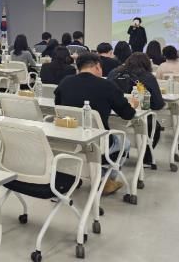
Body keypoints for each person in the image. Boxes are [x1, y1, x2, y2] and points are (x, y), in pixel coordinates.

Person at [54, 53, 136, 195]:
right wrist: (133, 105)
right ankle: (106, 181)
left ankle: (97, 176)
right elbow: (127, 114)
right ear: (97, 66)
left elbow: (58, 107)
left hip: (70, 140)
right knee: (126, 143)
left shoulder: (65, 82)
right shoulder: (107, 85)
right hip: (98, 142)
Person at [108, 53, 165, 165]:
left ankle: (120, 152)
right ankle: (146, 158)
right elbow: (157, 104)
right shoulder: (148, 77)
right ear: (147, 64)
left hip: (112, 118)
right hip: (137, 120)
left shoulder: (113, 73)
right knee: (155, 126)